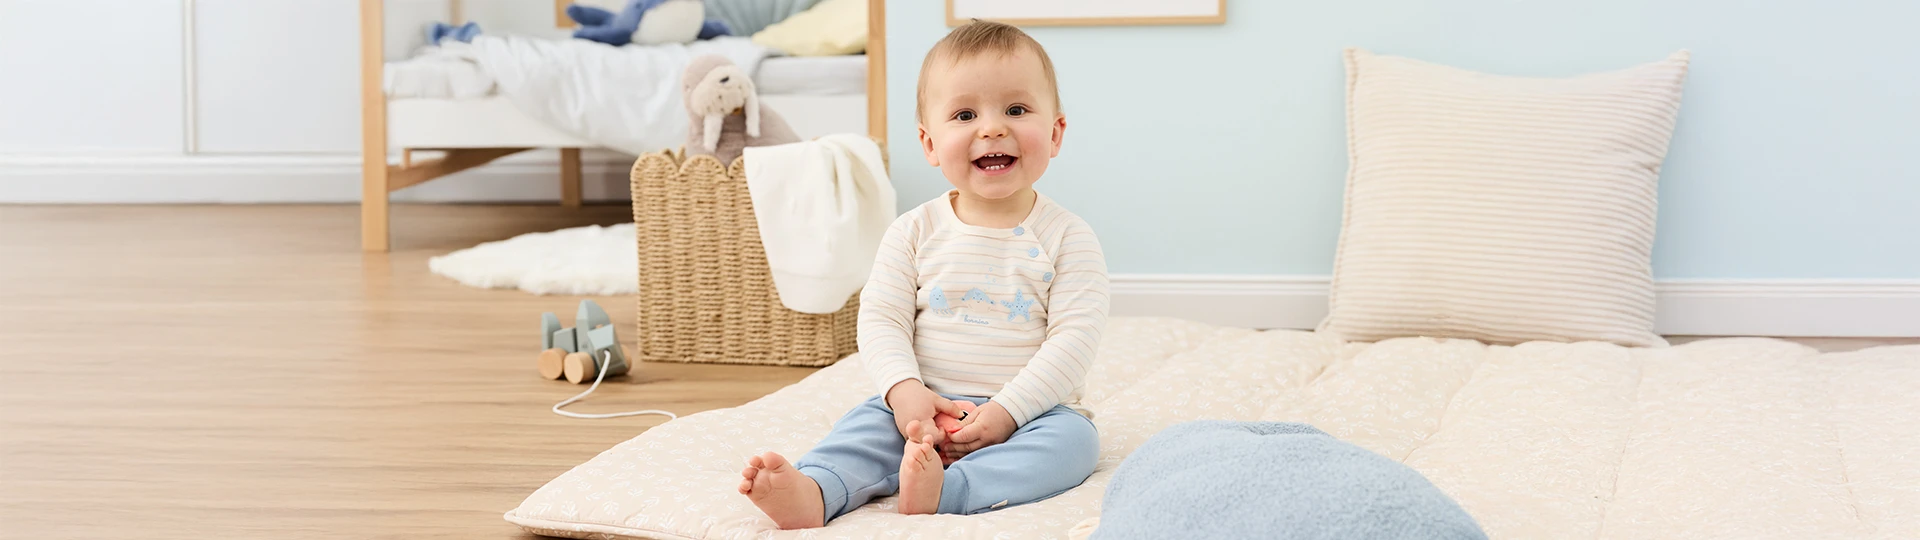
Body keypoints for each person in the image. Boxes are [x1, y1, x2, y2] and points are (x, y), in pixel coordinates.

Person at [734, 20, 1110, 529]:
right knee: (864, 430)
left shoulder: (1069, 237)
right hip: (922, 405)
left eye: (1016, 110)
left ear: (1055, 132)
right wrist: (903, 390)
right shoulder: (914, 231)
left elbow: (1074, 341)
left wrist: (1008, 412)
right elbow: (882, 319)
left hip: (1028, 414)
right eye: (965, 114)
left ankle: (949, 489)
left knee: (1075, 443)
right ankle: (817, 489)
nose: (993, 127)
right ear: (930, 144)